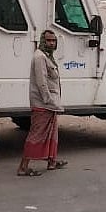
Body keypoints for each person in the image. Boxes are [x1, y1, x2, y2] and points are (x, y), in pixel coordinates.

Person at [18, 29, 67, 177]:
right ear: (43, 41)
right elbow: (41, 83)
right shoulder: (40, 57)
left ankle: (51, 161)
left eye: (53, 41)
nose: (51, 43)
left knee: (52, 133)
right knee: (37, 134)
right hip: (43, 104)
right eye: (49, 41)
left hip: (50, 104)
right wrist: (49, 101)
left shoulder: (48, 57)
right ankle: (23, 166)